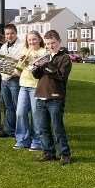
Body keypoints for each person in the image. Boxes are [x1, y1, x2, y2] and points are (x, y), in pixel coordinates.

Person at [32, 30, 72, 165]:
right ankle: (48, 152)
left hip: (55, 97)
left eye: (53, 43)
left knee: (57, 127)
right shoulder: (46, 57)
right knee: (42, 127)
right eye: (48, 43)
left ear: (59, 42)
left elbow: (60, 75)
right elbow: (37, 76)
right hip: (41, 96)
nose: (50, 46)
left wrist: (46, 65)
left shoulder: (65, 58)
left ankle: (65, 154)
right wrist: (36, 68)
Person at [14, 31, 46, 150]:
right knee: (20, 113)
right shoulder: (25, 51)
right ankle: (22, 139)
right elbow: (18, 71)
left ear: (39, 39)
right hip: (23, 85)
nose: (32, 42)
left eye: (34, 39)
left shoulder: (44, 52)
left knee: (35, 115)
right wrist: (21, 61)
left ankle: (37, 141)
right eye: (29, 40)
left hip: (36, 86)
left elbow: (41, 70)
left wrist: (32, 61)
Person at [0, 24, 25, 138]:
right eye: (7, 34)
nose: (9, 36)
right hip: (4, 79)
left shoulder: (22, 45)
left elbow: (21, 62)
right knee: (8, 106)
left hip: (15, 79)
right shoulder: (4, 46)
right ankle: (8, 130)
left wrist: (7, 64)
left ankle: (20, 131)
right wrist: (2, 64)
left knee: (18, 106)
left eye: (12, 33)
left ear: (16, 33)